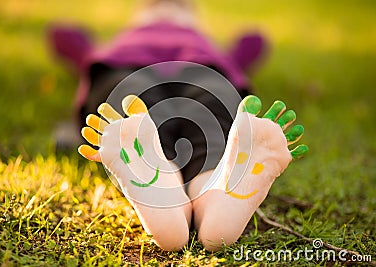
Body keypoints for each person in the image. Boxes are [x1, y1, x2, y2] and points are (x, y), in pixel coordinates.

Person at [48, 0, 308, 251]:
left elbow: (252, 45)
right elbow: (64, 39)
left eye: (176, 9)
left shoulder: (131, 41)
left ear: (195, 20)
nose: (166, 12)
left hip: (179, 70)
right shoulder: (179, 40)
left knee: (151, 103)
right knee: (142, 107)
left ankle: (210, 197)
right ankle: (182, 185)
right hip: (167, 70)